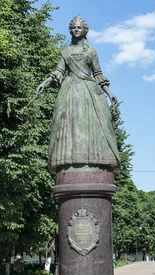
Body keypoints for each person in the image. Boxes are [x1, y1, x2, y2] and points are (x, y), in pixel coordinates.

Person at [36, 15, 120, 174]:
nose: (76, 30)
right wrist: (45, 82)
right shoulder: (65, 52)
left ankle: (94, 160)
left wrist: (109, 93)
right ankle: (69, 160)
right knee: (69, 124)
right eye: (73, 28)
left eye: (79, 27)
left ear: (85, 31)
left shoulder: (91, 51)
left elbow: (98, 73)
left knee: (97, 125)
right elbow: (60, 71)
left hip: (89, 91)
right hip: (70, 91)